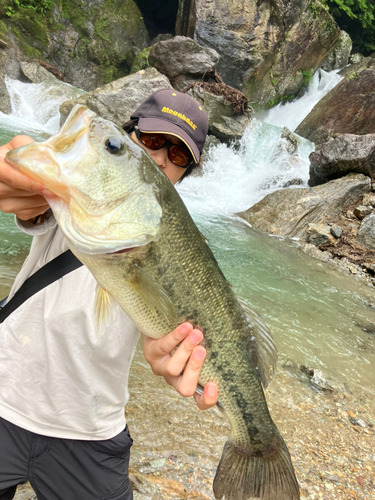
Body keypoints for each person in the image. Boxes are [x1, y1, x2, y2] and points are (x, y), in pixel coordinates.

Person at [0, 89, 218, 500]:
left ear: (186, 173)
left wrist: (166, 354)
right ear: (132, 134)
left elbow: (165, 332)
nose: (160, 159)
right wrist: (16, 170)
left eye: (178, 156)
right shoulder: (73, 191)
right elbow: (23, 169)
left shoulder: (189, 253)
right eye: (153, 140)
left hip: (91, 429)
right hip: (3, 399)